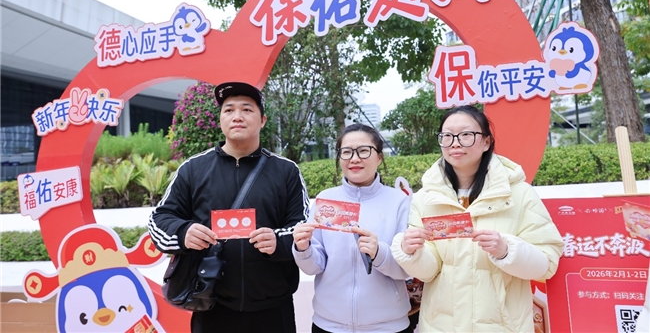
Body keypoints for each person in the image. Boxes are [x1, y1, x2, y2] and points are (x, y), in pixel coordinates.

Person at [148, 81, 310, 333]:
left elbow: (302, 227)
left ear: (263, 120)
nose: (237, 116)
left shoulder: (286, 171)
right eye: (229, 110)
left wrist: (278, 241)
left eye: (247, 109)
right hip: (211, 306)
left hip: (273, 310)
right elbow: (159, 220)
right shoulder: (193, 169)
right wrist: (183, 233)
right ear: (220, 119)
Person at [390, 105, 564, 332]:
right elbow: (429, 271)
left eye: (466, 135)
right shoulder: (425, 198)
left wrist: (506, 251)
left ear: (486, 142)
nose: (455, 143)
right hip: (441, 327)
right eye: (447, 136)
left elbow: (546, 264)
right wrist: (411, 252)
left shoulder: (519, 194)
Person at [293, 123, 412, 333]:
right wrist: (303, 248)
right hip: (328, 325)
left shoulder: (399, 202)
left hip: (388, 327)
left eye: (364, 151)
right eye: (346, 152)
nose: (354, 159)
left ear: (379, 157)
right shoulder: (326, 199)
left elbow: (407, 269)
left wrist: (379, 252)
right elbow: (314, 267)